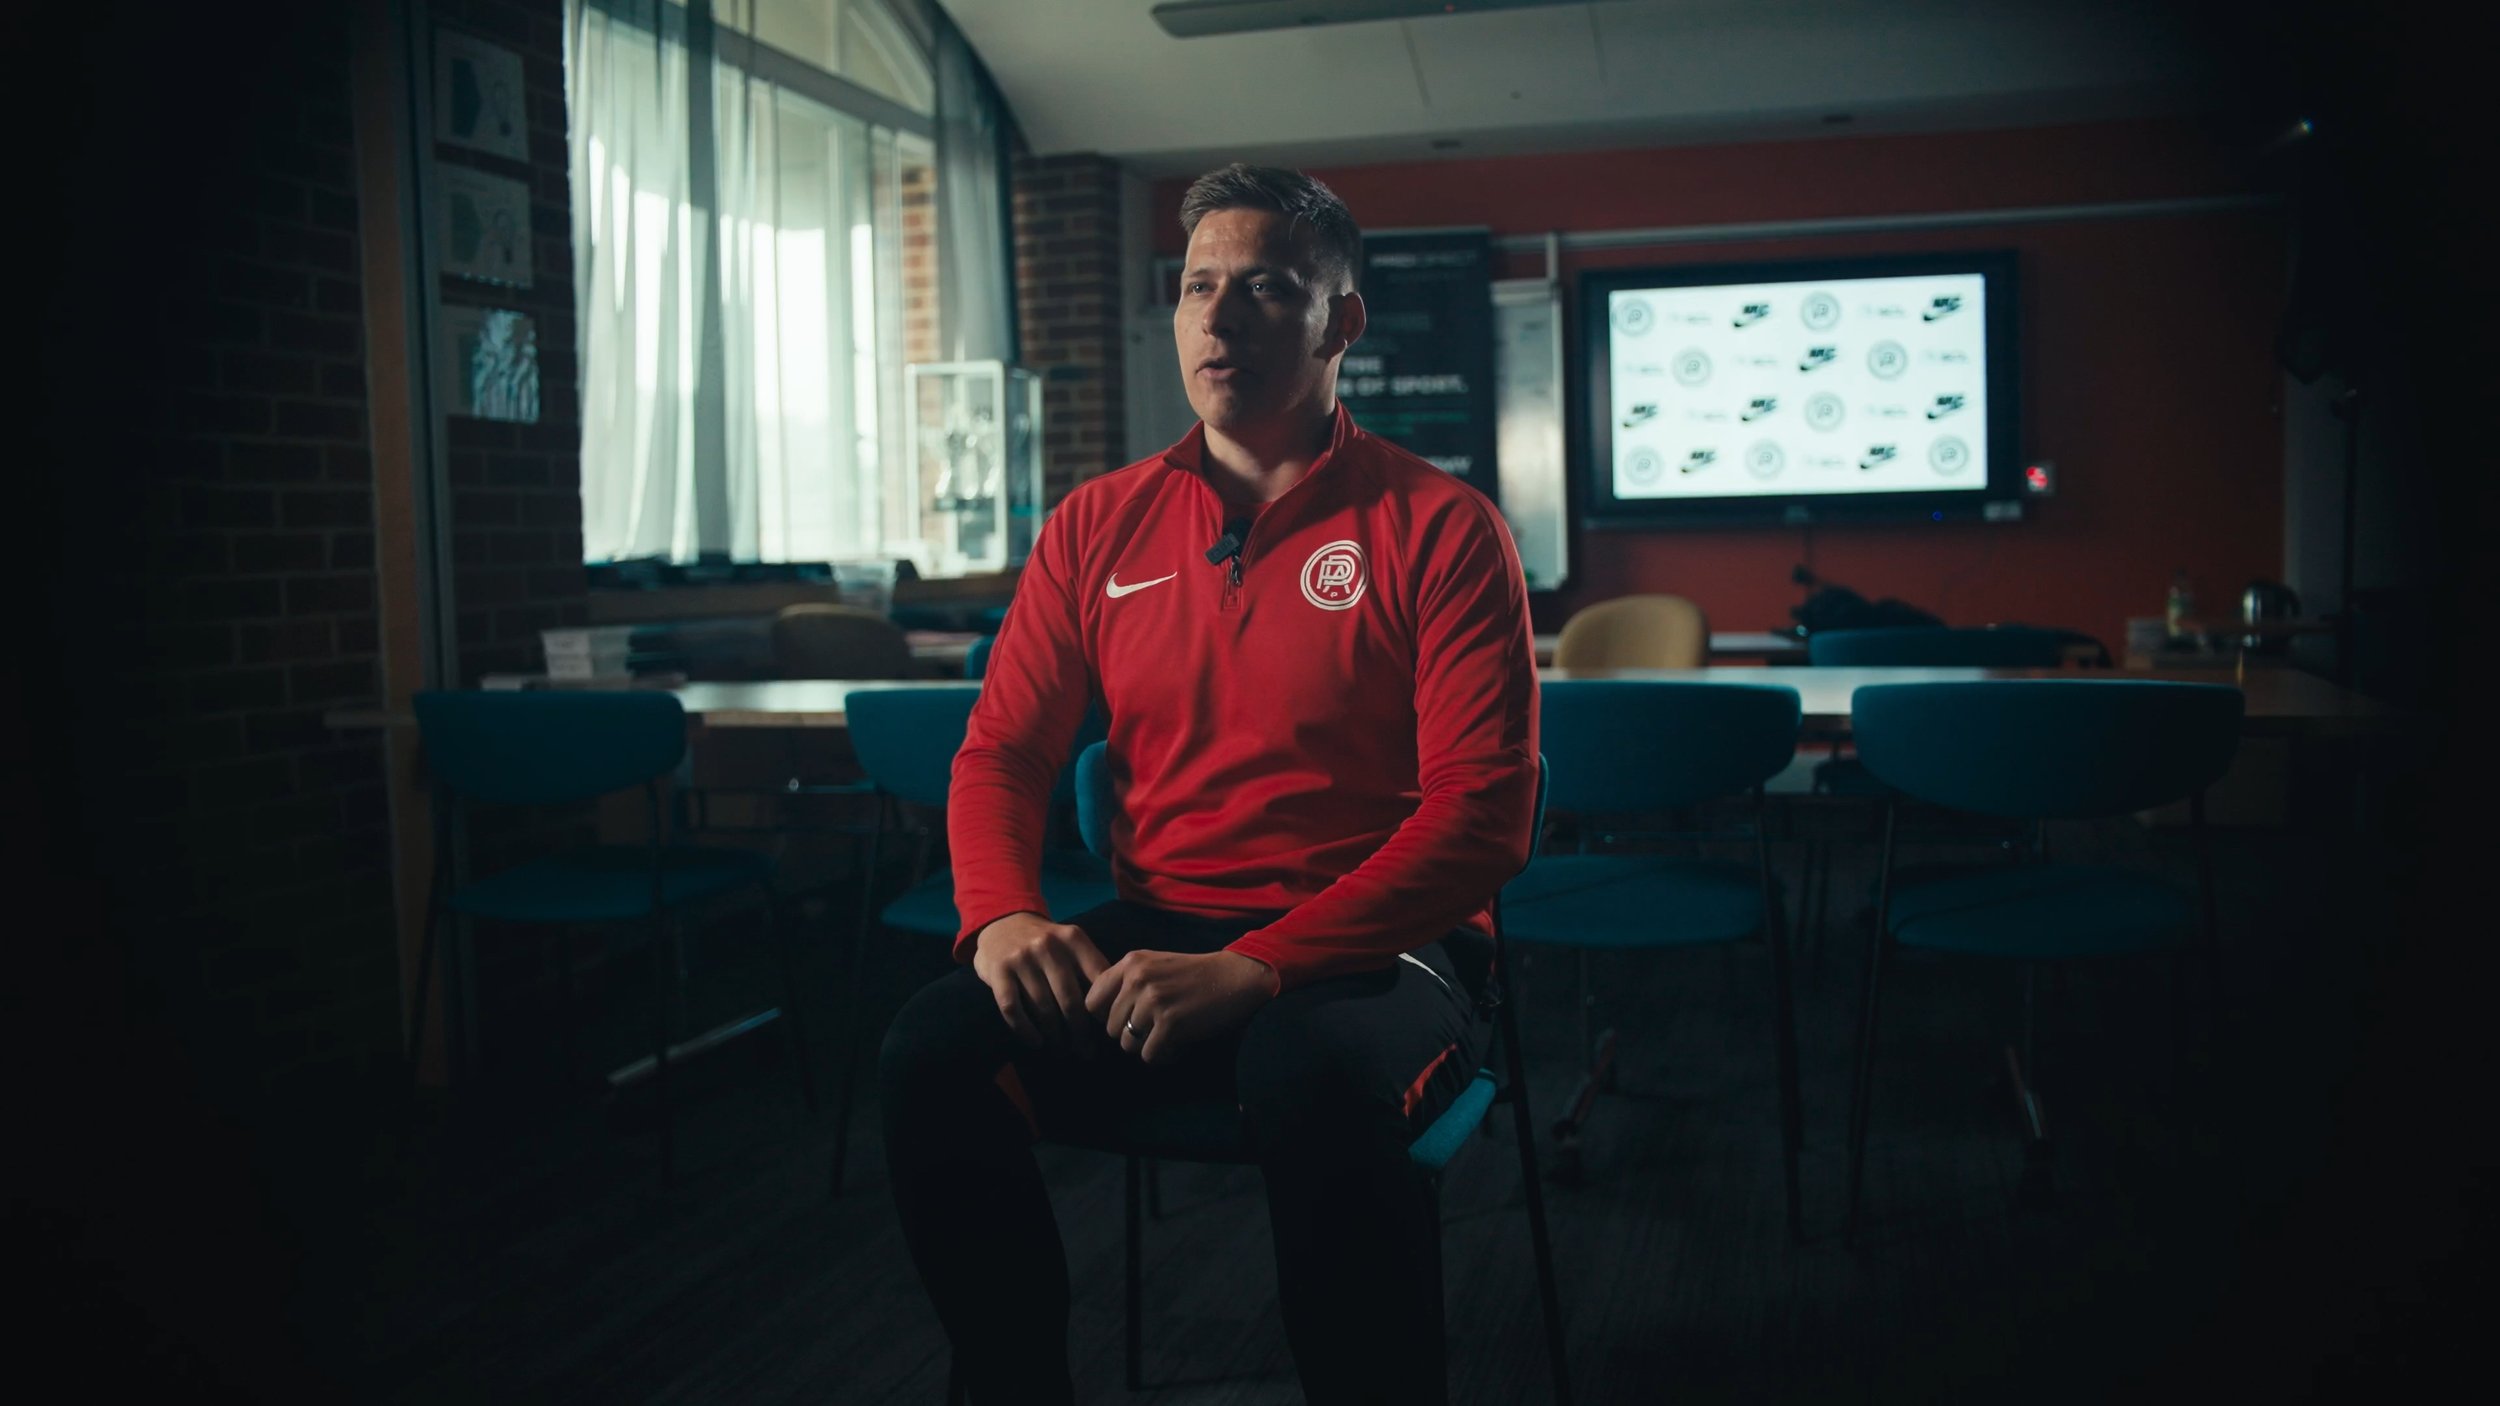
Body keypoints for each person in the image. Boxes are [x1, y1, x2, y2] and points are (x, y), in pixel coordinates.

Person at [878, 162, 1539, 1405]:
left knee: (1306, 1071)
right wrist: (1002, 916)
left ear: (1341, 320)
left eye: (1265, 288)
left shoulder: (1442, 526)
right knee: (931, 1050)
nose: (1219, 318)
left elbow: (1483, 818)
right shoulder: (1097, 524)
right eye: (1197, 288)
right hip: (1161, 930)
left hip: (1384, 949)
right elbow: (1004, 750)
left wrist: (1260, 966)